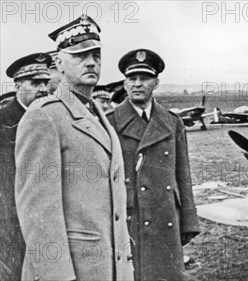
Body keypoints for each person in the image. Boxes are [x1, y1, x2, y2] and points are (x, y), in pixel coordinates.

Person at [14, 15, 134, 281]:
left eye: (96, 55)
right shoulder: (43, 117)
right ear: (58, 62)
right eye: (79, 55)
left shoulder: (98, 116)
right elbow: (38, 213)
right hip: (73, 272)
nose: (91, 62)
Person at [106, 49, 200, 280]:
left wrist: (188, 220)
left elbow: (183, 173)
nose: (137, 84)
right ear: (125, 84)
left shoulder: (172, 122)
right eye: (132, 79)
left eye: (144, 78)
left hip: (166, 214)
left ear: (155, 83)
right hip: (130, 217)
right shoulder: (109, 122)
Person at [1, 52, 51, 281]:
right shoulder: (3, 122)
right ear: (18, 85)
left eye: (45, 83)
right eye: (35, 83)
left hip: (43, 221)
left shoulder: (50, 119)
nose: (42, 89)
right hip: (7, 225)